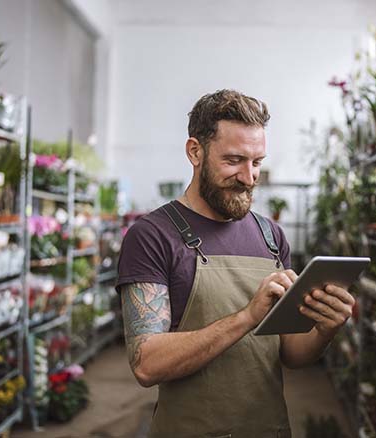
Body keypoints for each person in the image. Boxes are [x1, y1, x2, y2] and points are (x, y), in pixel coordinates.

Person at [116, 89, 355, 438]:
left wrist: (326, 328)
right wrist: (246, 317)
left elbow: (290, 352)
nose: (249, 177)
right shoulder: (153, 235)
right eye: (233, 161)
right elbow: (147, 364)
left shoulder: (271, 236)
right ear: (195, 151)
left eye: (256, 162)